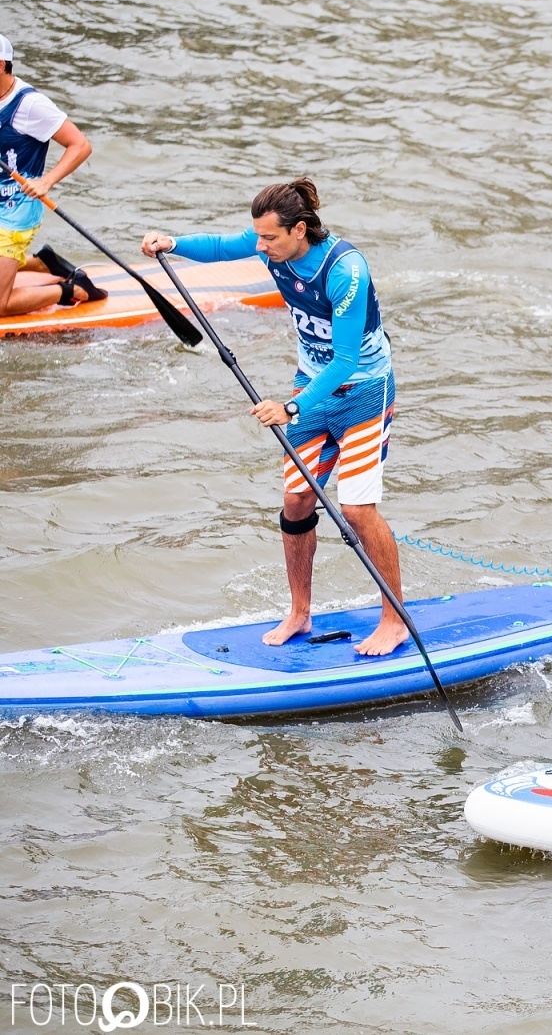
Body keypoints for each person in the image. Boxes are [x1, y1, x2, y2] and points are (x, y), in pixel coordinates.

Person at [140, 179, 407, 656]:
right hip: (311, 388)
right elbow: (223, 247)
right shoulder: (272, 248)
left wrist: (290, 407)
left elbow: (345, 360)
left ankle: (395, 619)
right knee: (297, 500)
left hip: (364, 391)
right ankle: (300, 613)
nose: (259, 247)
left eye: (269, 239)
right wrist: (173, 244)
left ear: (299, 229)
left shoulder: (345, 270)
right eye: (258, 237)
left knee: (356, 509)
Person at [0, 33, 106, 317]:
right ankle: (42, 263)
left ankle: (71, 290)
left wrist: (46, 181)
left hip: (15, 212)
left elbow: (80, 145)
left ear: (0, 65)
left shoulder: (30, 105)